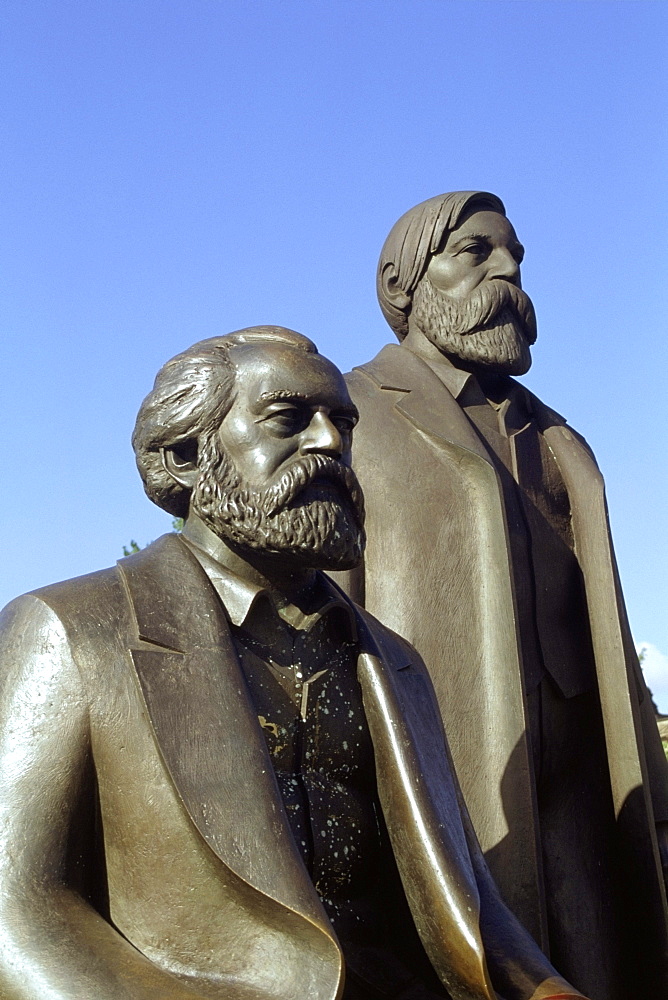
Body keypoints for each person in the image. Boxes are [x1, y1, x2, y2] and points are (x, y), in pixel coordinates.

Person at [0, 326, 585, 1000]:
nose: (330, 443)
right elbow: (20, 909)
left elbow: (468, 895)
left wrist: (547, 992)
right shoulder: (70, 631)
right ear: (188, 455)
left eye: (342, 422)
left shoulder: (395, 664)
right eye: (289, 418)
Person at [338, 193, 668, 1000]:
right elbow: (331, 603)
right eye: (476, 252)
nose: (509, 271)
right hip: (453, 780)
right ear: (400, 283)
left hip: (587, 787)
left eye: (514, 254)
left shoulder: (558, 436)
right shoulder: (351, 414)